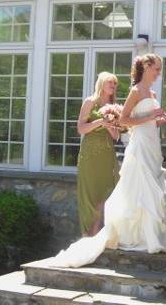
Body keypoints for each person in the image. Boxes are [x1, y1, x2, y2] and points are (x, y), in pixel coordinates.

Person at [50, 54, 166, 267]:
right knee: (134, 189)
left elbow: (122, 130)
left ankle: (149, 235)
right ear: (146, 67)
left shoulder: (151, 93)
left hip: (149, 143)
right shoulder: (133, 92)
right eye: (157, 69)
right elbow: (126, 120)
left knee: (150, 187)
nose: (159, 73)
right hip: (124, 149)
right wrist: (149, 117)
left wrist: (160, 119)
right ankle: (108, 234)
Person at [75, 72, 121, 237]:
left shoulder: (114, 106)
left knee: (106, 193)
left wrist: (110, 125)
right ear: (101, 83)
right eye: (110, 82)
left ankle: (98, 233)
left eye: (115, 84)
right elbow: (81, 129)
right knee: (90, 194)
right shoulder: (90, 102)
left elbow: (116, 137)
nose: (113, 86)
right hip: (90, 154)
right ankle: (87, 235)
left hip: (107, 154)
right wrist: (100, 121)